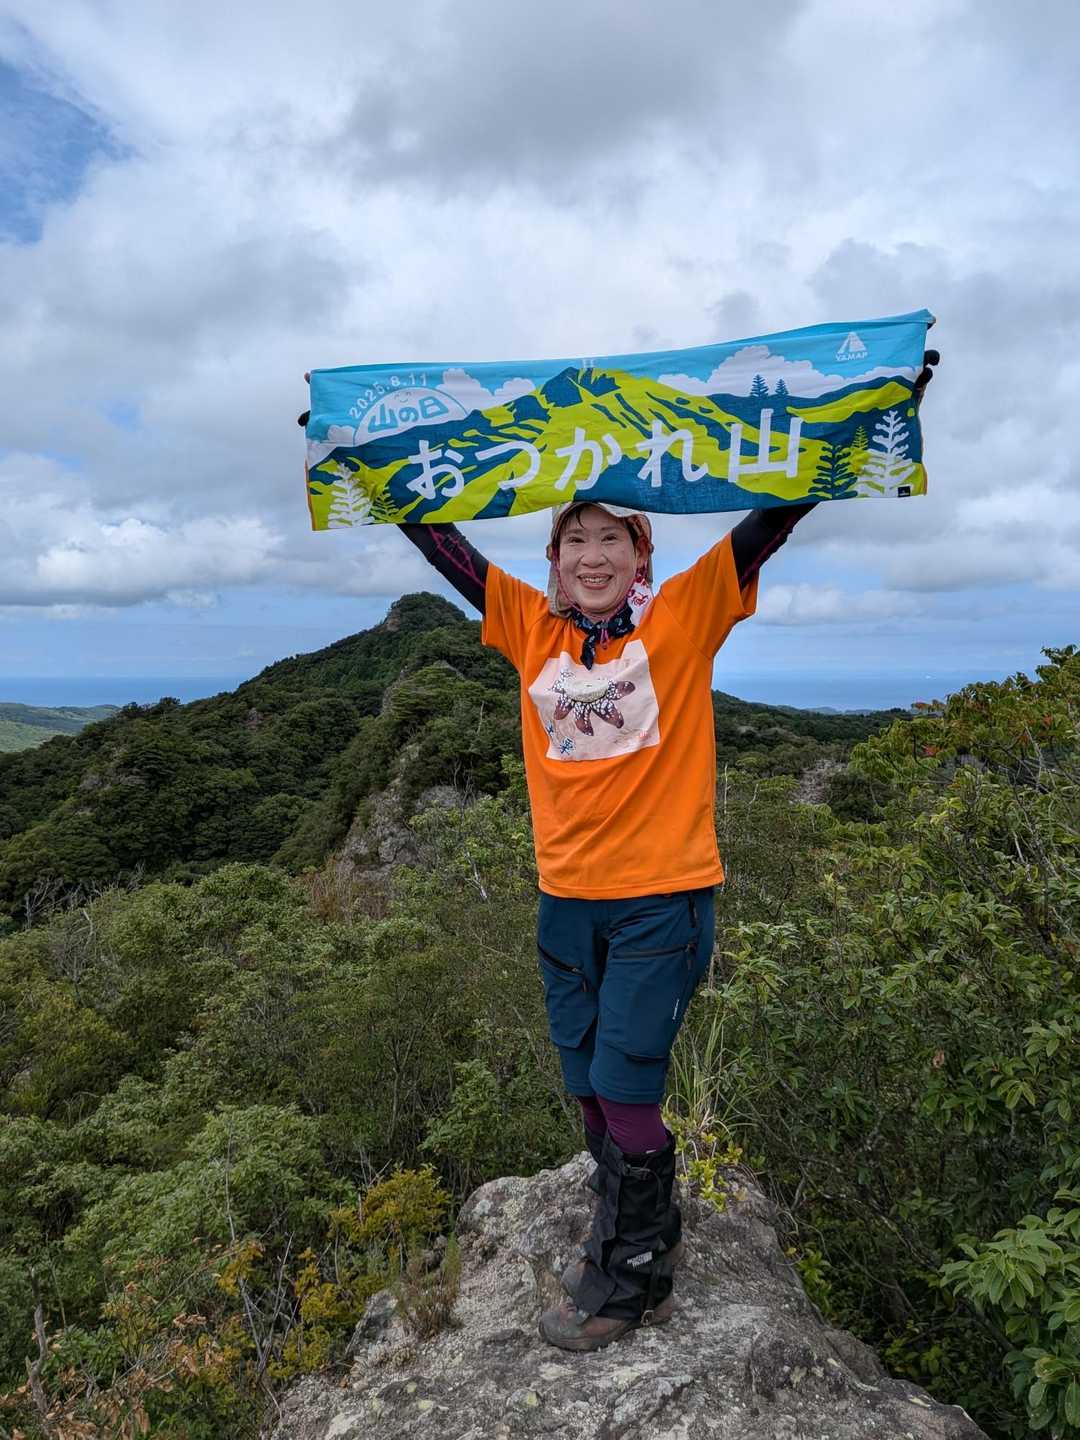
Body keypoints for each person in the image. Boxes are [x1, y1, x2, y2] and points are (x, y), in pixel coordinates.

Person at [299, 351, 937, 1353]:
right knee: (589, 1089)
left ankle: (631, 1276)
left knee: (630, 1087)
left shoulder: (685, 614)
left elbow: (772, 518)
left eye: (612, 538)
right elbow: (440, 541)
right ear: (554, 559)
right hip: (565, 901)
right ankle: (635, 1229)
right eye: (574, 539)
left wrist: (863, 416)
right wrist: (358, 451)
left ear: (642, 556)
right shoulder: (528, 627)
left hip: (661, 901)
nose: (591, 556)